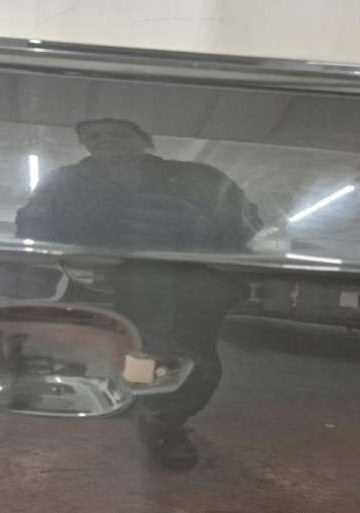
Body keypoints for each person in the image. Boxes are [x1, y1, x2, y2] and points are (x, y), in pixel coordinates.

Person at [15, 118, 261, 470]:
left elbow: (247, 231)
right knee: (103, 356)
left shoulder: (200, 178)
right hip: (98, 286)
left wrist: (199, 229)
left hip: (183, 293)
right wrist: (70, 244)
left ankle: (165, 423)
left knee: (189, 365)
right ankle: (118, 404)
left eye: (118, 133)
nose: (106, 140)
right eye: (94, 135)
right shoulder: (64, 182)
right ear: (83, 142)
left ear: (144, 138)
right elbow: (30, 229)